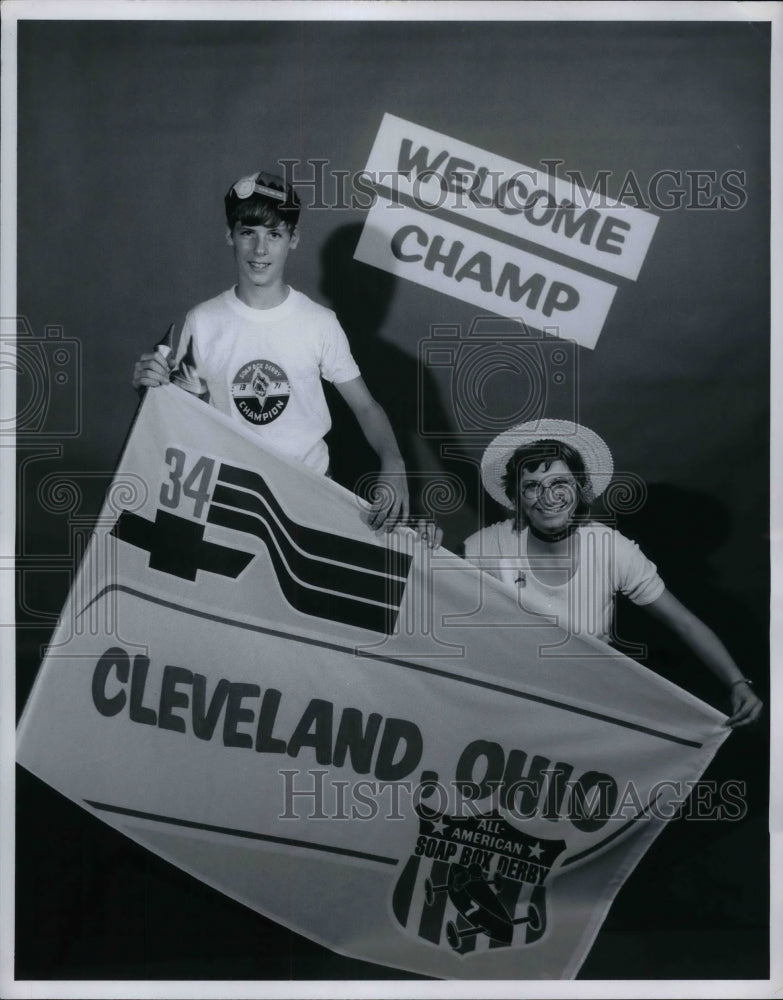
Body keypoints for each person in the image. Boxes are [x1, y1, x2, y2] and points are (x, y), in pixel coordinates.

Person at [132, 168, 409, 532]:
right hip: (227, 497)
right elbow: (180, 417)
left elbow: (365, 405)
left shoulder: (318, 323)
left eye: (274, 234)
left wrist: (394, 462)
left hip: (310, 498)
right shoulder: (202, 321)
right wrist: (149, 389)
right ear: (229, 235)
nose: (260, 249)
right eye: (248, 233)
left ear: (293, 239)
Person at [461, 418, 762, 728]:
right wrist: (419, 540)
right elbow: (430, 584)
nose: (548, 498)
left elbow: (684, 623)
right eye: (532, 486)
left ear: (580, 489)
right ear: (516, 498)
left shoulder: (611, 549)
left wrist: (738, 683)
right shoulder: (490, 545)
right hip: (506, 704)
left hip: (586, 707)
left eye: (560, 484)